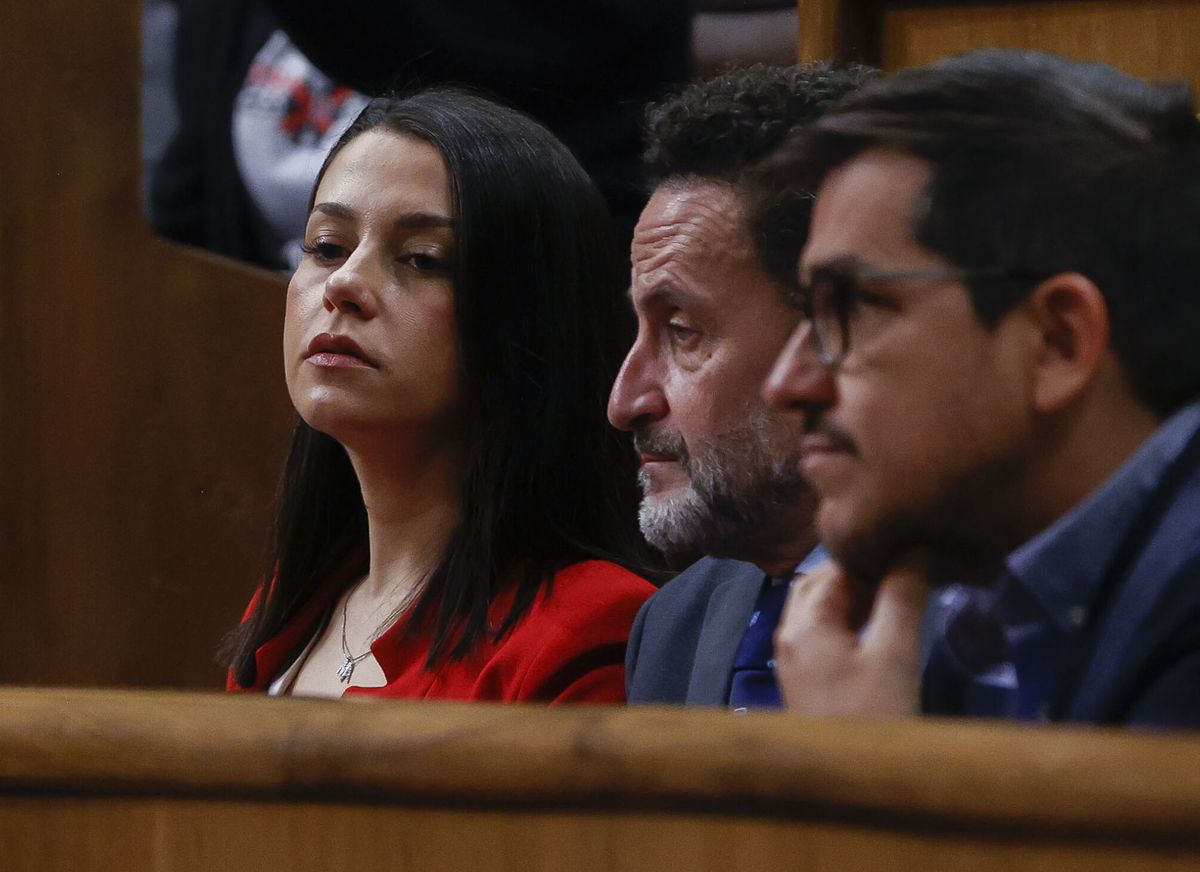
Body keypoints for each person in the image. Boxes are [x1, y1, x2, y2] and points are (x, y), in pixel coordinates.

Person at [759, 49, 1200, 726]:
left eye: (851, 309)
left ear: (1057, 342)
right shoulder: (967, 598)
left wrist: (865, 777)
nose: (788, 385)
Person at [224, 89, 657, 701]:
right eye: (327, 246)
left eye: (422, 259)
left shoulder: (589, 626)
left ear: (531, 318)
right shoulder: (288, 606)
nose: (345, 284)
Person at [608, 64, 876, 707]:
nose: (625, 401)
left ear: (831, 335)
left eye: (682, 330)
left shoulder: (990, 616)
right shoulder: (671, 627)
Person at [149, 0, 691, 270]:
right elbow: (190, 194)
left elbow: (430, 56)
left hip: (519, 358)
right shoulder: (223, 15)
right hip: (260, 354)